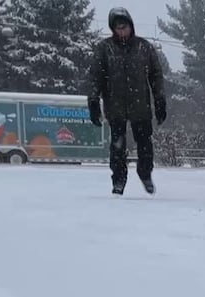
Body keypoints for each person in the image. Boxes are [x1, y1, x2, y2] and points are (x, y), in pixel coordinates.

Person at [87, 6, 167, 196]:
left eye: (125, 27)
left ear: (131, 26)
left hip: (140, 105)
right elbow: (95, 77)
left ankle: (145, 173)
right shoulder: (104, 48)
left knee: (145, 144)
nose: (122, 31)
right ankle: (119, 181)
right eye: (118, 28)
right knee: (117, 147)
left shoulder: (144, 47)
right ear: (113, 29)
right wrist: (93, 101)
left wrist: (160, 101)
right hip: (115, 106)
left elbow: (156, 76)